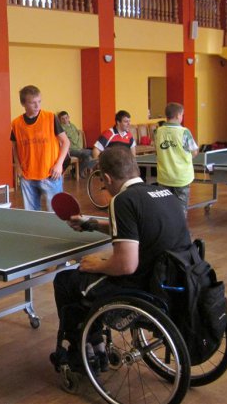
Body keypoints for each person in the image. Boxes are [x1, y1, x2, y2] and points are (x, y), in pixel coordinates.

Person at [50, 147, 193, 380]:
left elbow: (126, 265)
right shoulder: (164, 193)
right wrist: (92, 224)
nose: (105, 188)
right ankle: (94, 342)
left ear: (106, 178)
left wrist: (98, 264)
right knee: (86, 278)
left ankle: (86, 349)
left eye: (103, 183)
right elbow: (136, 229)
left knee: (67, 281)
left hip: (143, 287)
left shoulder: (123, 200)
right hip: (175, 280)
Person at [11, 85, 70, 211]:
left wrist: (59, 165)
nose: (37, 106)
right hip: (27, 176)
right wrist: (18, 166)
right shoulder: (16, 123)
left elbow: (65, 142)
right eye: (32, 103)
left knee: (55, 213)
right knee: (32, 215)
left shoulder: (50, 117)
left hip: (50, 174)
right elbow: (15, 146)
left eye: (39, 101)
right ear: (23, 104)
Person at [153, 102, 199, 213]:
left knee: (165, 208)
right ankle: (180, 224)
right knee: (181, 209)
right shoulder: (184, 132)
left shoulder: (157, 132)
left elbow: (156, 151)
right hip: (181, 177)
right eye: (182, 115)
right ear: (178, 115)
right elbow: (194, 152)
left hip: (164, 176)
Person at [57, 111, 95, 178]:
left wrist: (80, 146)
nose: (65, 120)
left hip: (80, 148)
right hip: (71, 150)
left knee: (94, 153)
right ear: (60, 120)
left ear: (69, 117)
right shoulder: (61, 128)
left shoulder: (73, 125)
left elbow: (78, 135)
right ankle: (79, 171)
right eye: (62, 119)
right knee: (87, 157)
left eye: (66, 118)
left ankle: (75, 170)